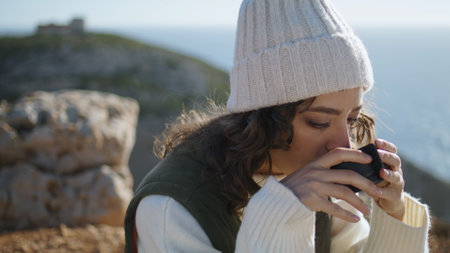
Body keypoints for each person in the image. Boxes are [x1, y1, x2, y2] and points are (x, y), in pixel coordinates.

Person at [124, 0, 430, 252]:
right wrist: (278, 215)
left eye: (351, 120)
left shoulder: (318, 180)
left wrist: (395, 213)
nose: (344, 145)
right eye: (319, 121)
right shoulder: (172, 209)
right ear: (260, 119)